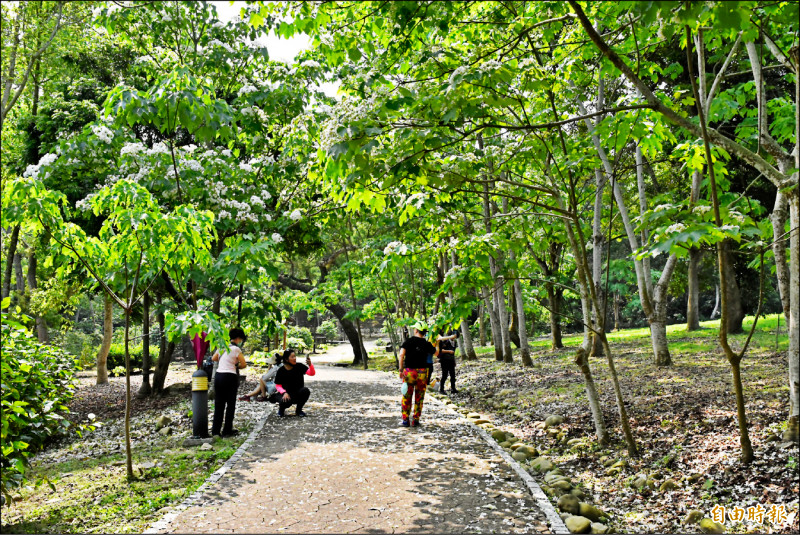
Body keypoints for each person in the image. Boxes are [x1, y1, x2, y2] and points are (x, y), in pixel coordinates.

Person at [398, 321, 439, 427]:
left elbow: (401, 355)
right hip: (422, 373)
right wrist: (437, 343)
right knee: (419, 396)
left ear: (416, 330)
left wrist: (400, 369)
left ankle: (405, 420)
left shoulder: (408, 341)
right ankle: (416, 419)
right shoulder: (427, 344)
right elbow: (437, 353)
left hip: (409, 372)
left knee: (407, 396)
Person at [211, 327, 248, 437]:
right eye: (241, 339)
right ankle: (227, 430)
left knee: (219, 404)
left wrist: (224, 361)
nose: (240, 341)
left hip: (219, 376)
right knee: (230, 404)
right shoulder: (236, 349)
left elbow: (214, 358)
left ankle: (215, 431)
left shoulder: (223, 346)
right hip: (230, 377)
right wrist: (236, 364)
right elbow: (244, 364)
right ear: (238, 338)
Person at [274, 349, 315, 417]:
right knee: (286, 401)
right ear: (287, 359)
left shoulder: (299, 366)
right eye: (292, 357)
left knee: (305, 391)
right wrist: (284, 393)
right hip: (285, 394)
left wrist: (310, 365)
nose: (295, 358)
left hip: (297, 393)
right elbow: (278, 385)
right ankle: (281, 410)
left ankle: (299, 410)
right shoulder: (281, 370)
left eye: (295, 356)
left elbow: (311, 373)